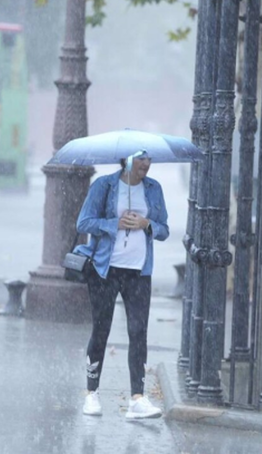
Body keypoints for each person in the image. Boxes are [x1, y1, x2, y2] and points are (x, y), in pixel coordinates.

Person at [73, 150, 169, 419]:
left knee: (138, 332)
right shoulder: (104, 185)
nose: (147, 164)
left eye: (149, 159)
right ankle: (91, 393)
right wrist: (113, 223)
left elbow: (164, 229)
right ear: (126, 160)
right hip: (106, 270)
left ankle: (137, 398)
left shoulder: (153, 189)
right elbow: (84, 222)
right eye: (141, 159)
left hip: (139, 271)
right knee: (100, 330)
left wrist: (146, 223)